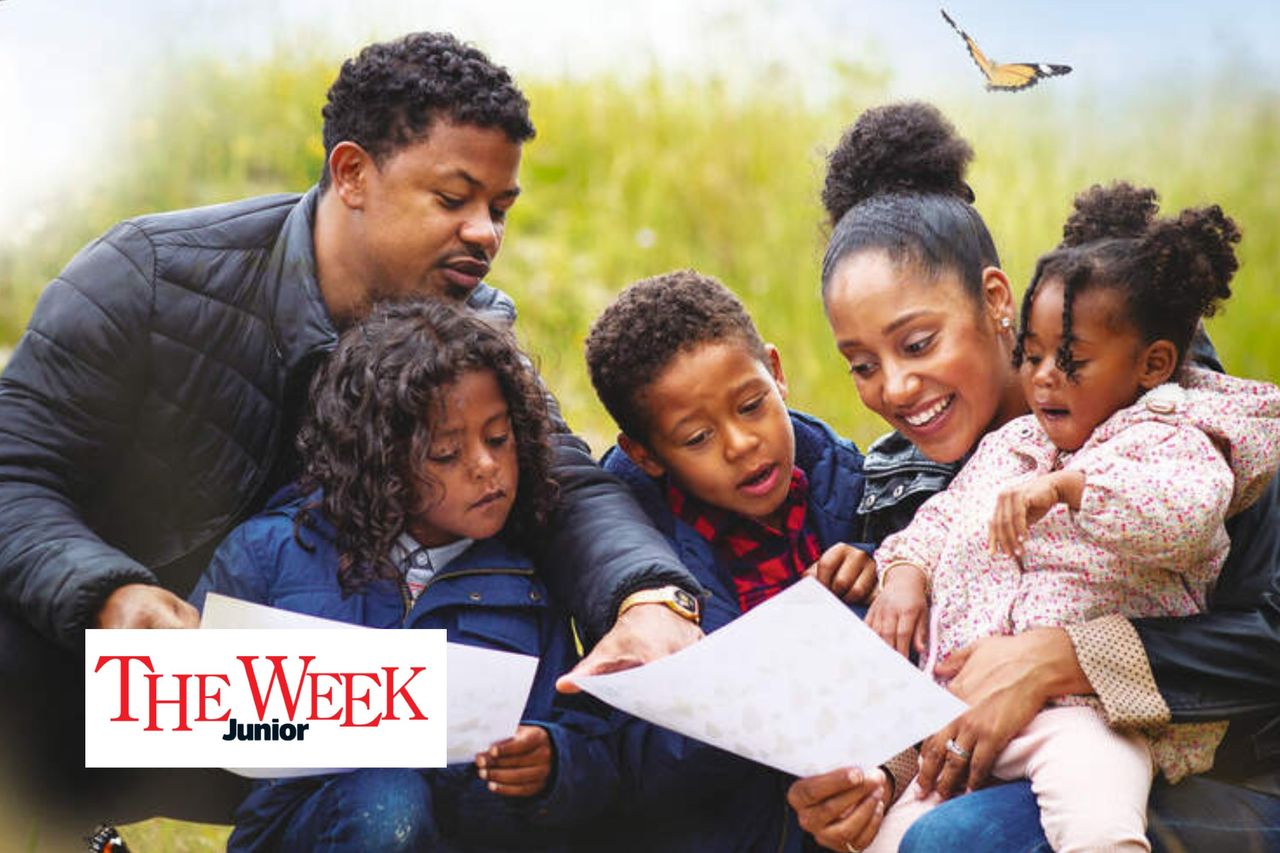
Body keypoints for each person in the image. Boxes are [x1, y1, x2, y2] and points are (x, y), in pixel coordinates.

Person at [0, 31, 698, 826]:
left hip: (344, 731)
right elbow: (12, 472)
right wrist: (110, 593)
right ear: (352, 173)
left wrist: (649, 595)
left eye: (499, 209)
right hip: (115, 686)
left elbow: (563, 482)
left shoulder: (474, 332)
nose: (486, 234)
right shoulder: (150, 277)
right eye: (453, 198)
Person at [786, 102, 1280, 852]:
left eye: (918, 342)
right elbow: (922, 672)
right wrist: (872, 782)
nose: (894, 387)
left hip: (1207, 773)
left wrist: (1064, 656)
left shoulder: (1167, 418)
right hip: (991, 763)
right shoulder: (902, 485)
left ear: (994, 301)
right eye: (860, 364)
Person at [193, 300, 621, 851]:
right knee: (387, 799)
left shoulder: (530, 572)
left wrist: (553, 759)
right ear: (380, 461)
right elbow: (181, 702)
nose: (486, 467)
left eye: (498, 438)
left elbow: (592, 738)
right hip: (315, 827)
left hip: (477, 829)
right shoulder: (273, 551)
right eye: (445, 453)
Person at [579, 270, 914, 852]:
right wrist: (752, 686)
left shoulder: (859, 489)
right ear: (645, 453)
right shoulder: (635, 566)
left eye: (751, 405)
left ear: (777, 374)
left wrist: (877, 566)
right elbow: (636, 763)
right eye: (697, 438)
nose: (740, 444)